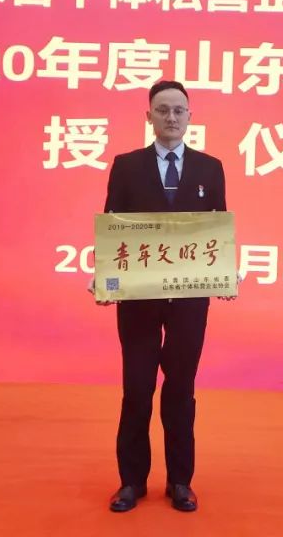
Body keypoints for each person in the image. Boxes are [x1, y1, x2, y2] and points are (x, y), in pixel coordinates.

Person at [97, 80, 229, 513]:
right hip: (139, 299)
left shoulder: (210, 168)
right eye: (162, 110)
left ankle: (180, 481)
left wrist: (223, 274)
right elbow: (113, 224)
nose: (171, 117)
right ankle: (131, 482)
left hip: (190, 300)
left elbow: (217, 229)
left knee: (181, 390)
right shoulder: (126, 166)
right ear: (148, 116)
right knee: (137, 389)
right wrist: (105, 277)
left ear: (190, 117)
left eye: (178, 110)